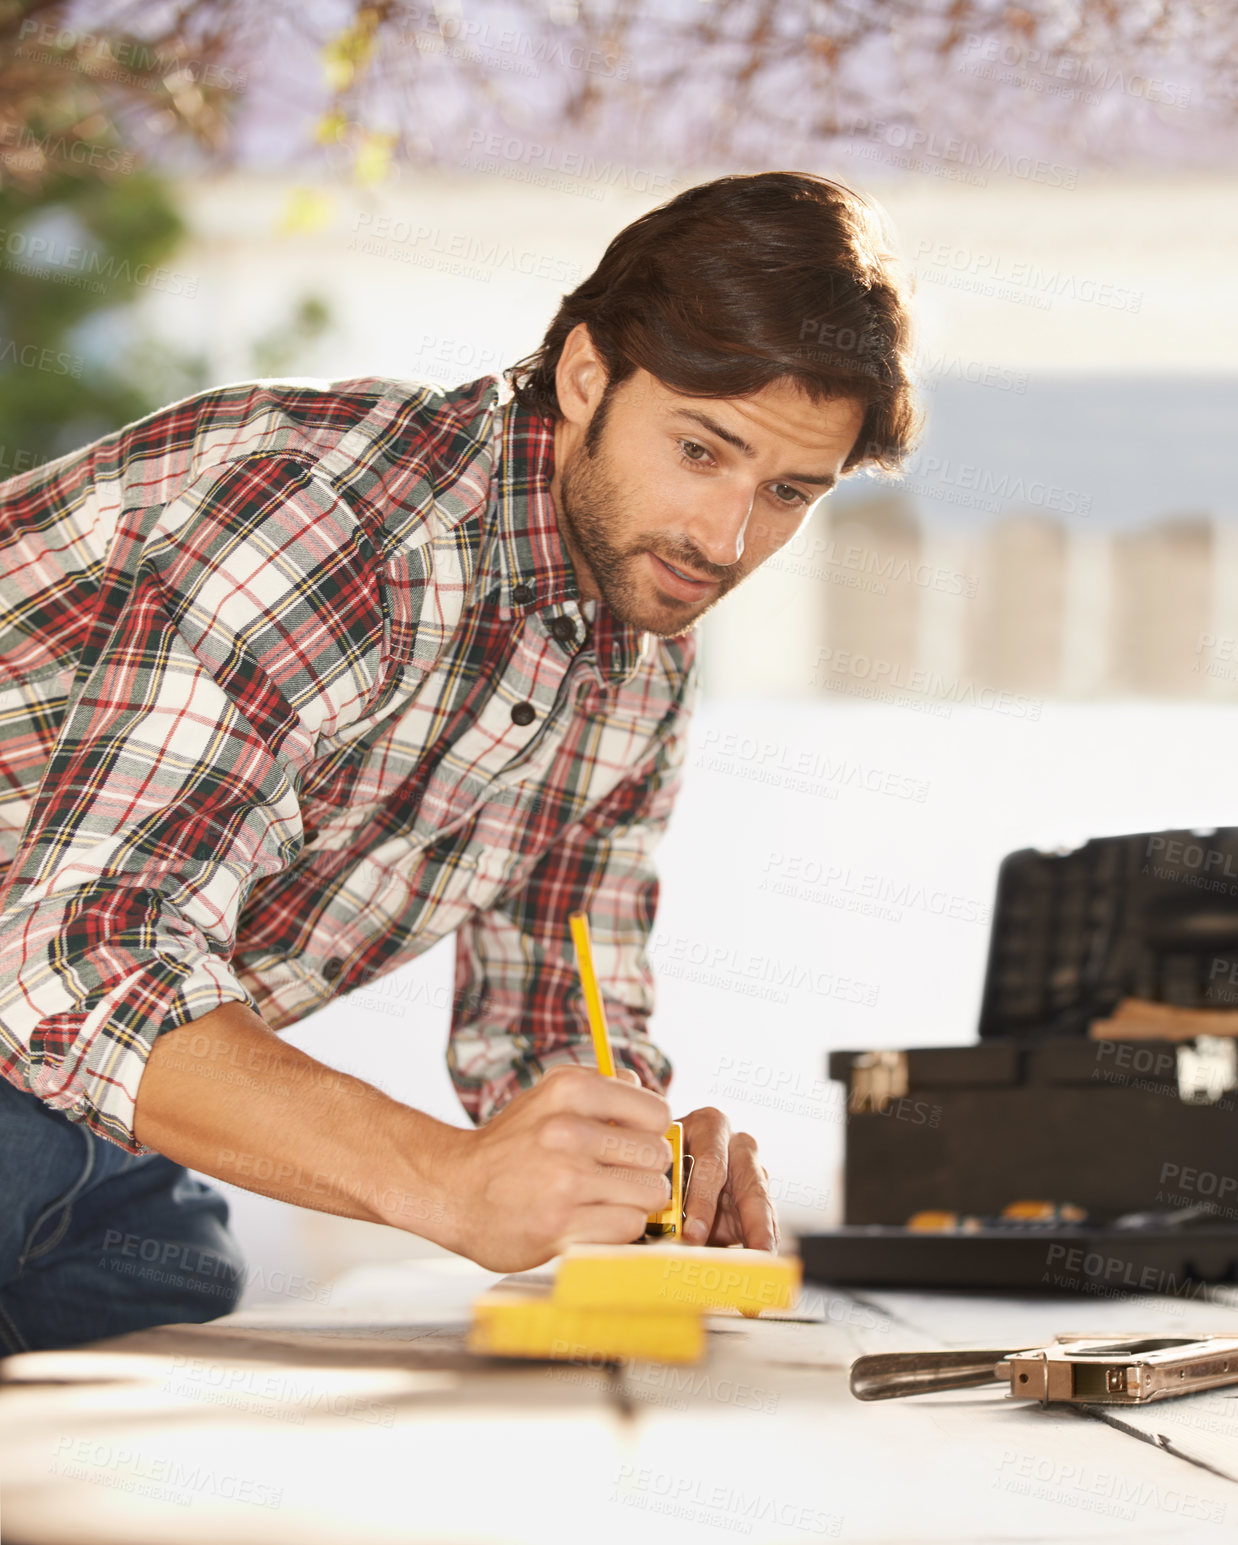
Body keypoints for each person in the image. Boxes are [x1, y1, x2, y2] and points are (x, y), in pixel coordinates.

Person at [0, 169, 919, 1351]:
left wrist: (636, 1183)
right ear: (587, 376)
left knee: (173, 1292)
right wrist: (445, 1180)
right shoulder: (328, 523)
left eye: (788, 492)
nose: (726, 540)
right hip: (36, 1038)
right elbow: (78, 964)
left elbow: (551, 1018)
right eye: (701, 450)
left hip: (74, 1120)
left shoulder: (639, 656)